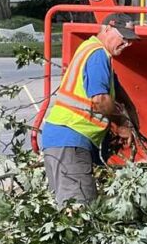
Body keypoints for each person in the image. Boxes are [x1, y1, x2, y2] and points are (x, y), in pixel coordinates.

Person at [40, 13, 139, 206]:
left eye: (130, 40)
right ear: (108, 28)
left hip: (63, 141)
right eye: (124, 37)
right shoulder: (98, 54)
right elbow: (100, 100)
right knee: (80, 213)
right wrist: (120, 125)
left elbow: (116, 90)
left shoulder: (90, 50)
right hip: (71, 140)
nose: (127, 44)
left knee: (68, 211)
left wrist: (131, 114)